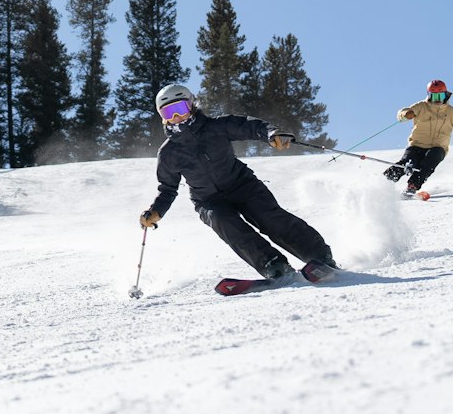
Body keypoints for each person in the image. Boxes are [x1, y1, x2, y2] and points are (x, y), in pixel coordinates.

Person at [137, 83, 338, 282]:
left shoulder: (216, 127)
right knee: (225, 223)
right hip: (208, 200)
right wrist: (156, 211)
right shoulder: (168, 153)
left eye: (179, 109)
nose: (175, 117)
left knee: (270, 218)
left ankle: (318, 255)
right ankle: (273, 264)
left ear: (190, 105)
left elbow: (249, 126)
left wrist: (271, 134)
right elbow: (167, 189)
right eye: (168, 112)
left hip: (242, 185)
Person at [384, 79, 453, 198]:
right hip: (417, 144)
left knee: (429, 163)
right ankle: (384, 183)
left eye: (440, 95)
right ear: (429, 95)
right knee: (407, 162)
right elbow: (401, 113)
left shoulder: (452, 113)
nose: (438, 100)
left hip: (438, 147)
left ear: (446, 95)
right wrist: (406, 114)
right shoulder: (421, 107)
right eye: (434, 96)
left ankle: (412, 185)